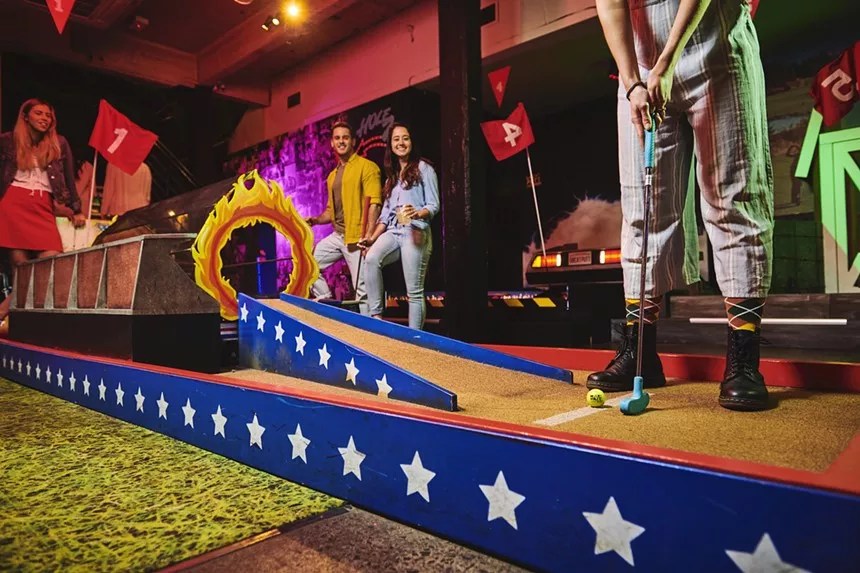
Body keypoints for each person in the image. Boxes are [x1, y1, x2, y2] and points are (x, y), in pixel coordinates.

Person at [588, 0, 774, 411]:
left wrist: (667, 61)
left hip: (714, 39)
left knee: (733, 198)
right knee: (642, 209)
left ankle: (743, 362)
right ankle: (639, 353)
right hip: (639, 61)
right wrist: (632, 80)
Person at [0, 98, 85, 323]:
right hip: (13, 203)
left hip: (42, 205)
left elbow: (68, 177)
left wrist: (76, 208)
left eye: (48, 115)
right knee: (19, 265)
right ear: (25, 116)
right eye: (38, 113)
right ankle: (20, 320)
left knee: (50, 259)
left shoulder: (60, 143)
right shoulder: (8, 140)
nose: (44, 119)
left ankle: (3, 309)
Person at [362, 123, 439, 329]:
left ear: (411, 142)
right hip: (394, 231)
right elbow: (385, 217)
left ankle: (414, 339)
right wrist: (371, 238)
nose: (401, 143)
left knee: (413, 290)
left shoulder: (424, 168)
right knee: (371, 258)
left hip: (416, 231)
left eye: (405, 138)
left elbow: (434, 205)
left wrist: (417, 212)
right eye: (396, 139)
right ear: (391, 145)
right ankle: (376, 317)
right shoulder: (392, 178)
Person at [306, 121, 382, 313]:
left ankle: (370, 332)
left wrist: (369, 236)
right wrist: (314, 220)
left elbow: (375, 202)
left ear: (353, 141)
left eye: (345, 138)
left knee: (363, 290)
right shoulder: (332, 176)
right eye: (337, 138)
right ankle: (328, 303)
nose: (341, 141)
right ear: (332, 143)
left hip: (357, 237)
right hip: (338, 236)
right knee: (308, 264)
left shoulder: (367, 167)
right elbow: (331, 211)